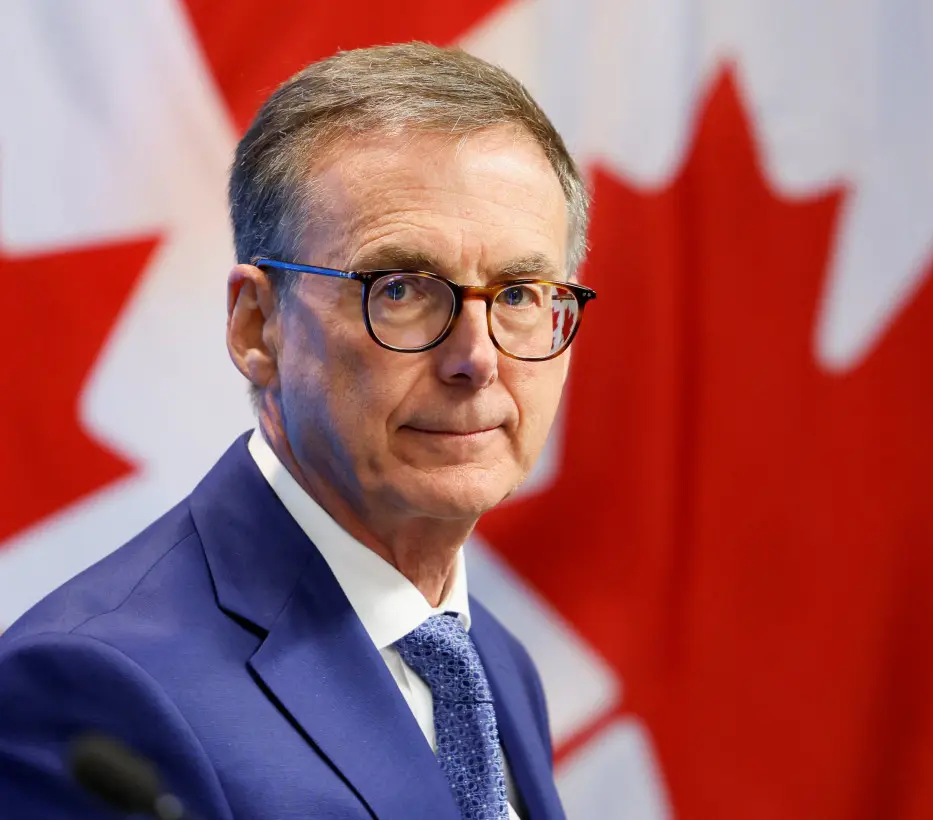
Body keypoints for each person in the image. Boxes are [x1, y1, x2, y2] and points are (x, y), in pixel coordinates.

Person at [0, 42, 595, 820]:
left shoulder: (491, 662)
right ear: (257, 326)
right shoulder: (95, 689)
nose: (477, 359)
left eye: (519, 293)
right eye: (403, 288)